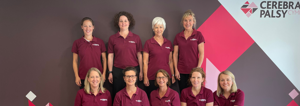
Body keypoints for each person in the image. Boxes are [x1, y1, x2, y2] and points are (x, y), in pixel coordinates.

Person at [107, 11, 143, 97]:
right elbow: (110, 56)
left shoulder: (136, 37)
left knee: (133, 94)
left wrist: (141, 71)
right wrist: (110, 72)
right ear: (118, 23)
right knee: (118, 94)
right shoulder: (112, 38)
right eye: (121, 21)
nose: (123, 23)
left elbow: (139, 55)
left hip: (133, 71)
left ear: (129, 22)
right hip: (118, 71)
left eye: (125, 21)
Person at [143, 17, 177, 97]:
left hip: (166, 77)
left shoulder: (168, 43)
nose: (159, 29)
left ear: (164, 28)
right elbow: (145, 62)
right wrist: (145, 77)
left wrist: (172, 75)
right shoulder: (148, 43)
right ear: (153, 28)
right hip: (152, 77)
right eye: (156, 27)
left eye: (161, 27)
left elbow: (170, 61)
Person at [173, 9, 205, 92]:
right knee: (183, 94)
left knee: (195, 93)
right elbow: (175, 54)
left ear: (193, 21)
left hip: (194, 71)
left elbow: (201, 54)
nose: (187, 23)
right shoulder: (178, 36)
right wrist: (176, 70)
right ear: (182, 22)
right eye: (185, 20)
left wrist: (198, 69)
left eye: (190, 20)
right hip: (181, 71)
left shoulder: (198, 35)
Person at [72, 17, 107, 89]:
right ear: (82, 27)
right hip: (83, 77)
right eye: (85, 26)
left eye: (90, 26)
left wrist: (103, 74)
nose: (88, 28)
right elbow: (75, 61)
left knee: (97, 98)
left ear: (93, 27)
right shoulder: (77, 43)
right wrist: (76, 76)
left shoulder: (100, 42)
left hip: (98, 77)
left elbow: (104, 59)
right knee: (85, 99)